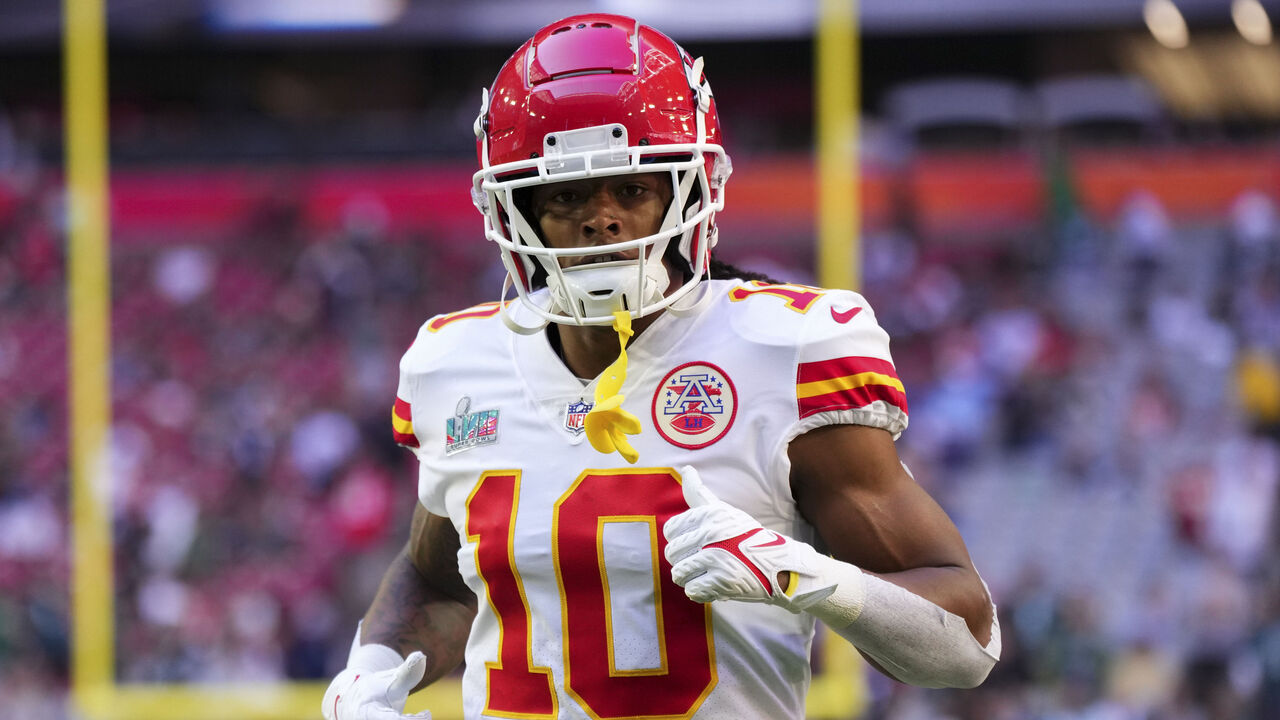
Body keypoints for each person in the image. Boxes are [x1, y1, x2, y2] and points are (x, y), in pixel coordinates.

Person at [322, 13, 1000, 720]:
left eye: (632, 188)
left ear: (689, 189)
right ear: (515, 210)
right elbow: (436, 580)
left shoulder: (782, 351)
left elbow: (969, 645)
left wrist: (805, 577)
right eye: (565, 196)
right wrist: (368, 673)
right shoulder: (457, 363)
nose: (601, 219)